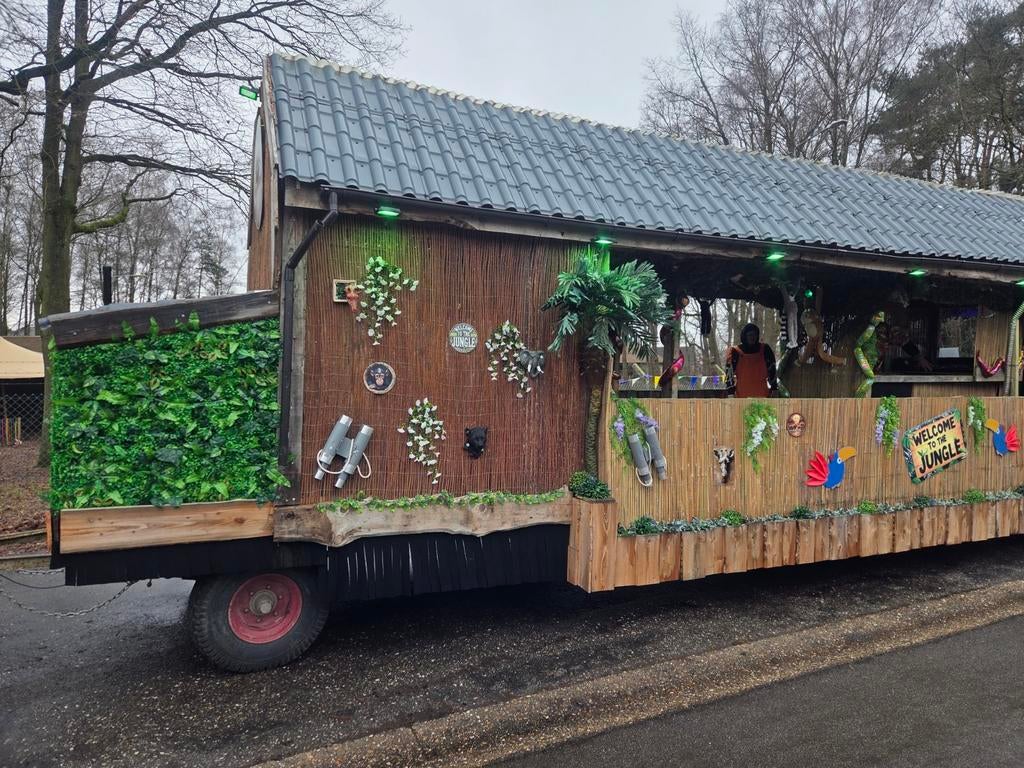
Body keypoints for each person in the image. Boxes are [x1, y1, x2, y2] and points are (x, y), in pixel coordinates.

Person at [726, 323, 778, 398]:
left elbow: (772, 371)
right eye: (750, 335)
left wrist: (774, 388)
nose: (752, 337)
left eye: (754, 335)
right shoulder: (735, 352)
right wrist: (730, 392)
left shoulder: (765, 350)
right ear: (745, 336)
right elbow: (729, 374)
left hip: (762, 394)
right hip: (742, 395)